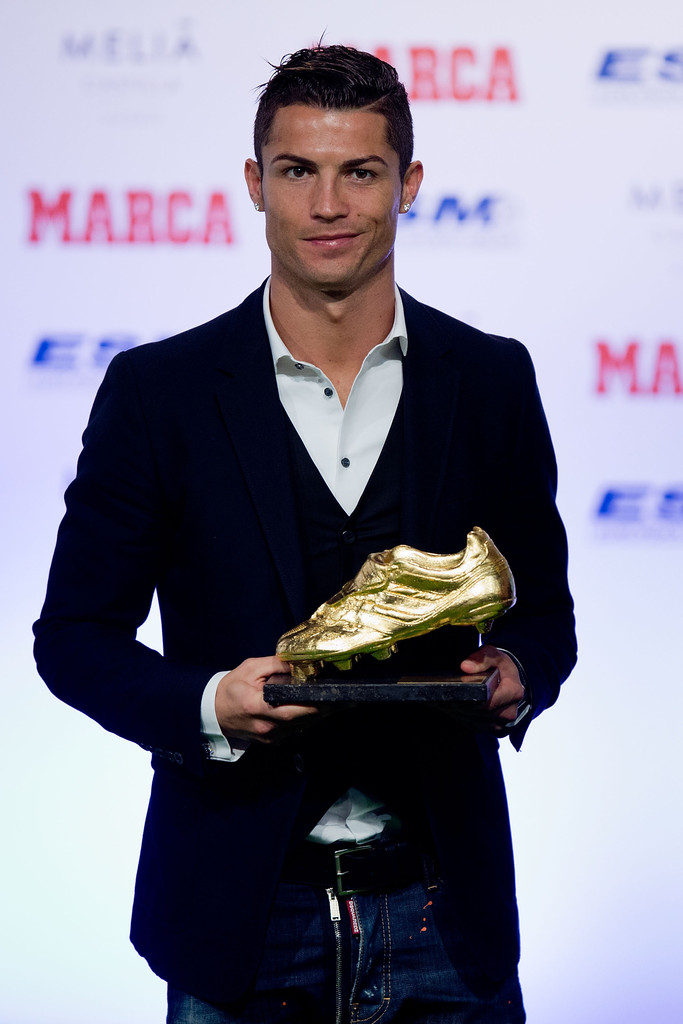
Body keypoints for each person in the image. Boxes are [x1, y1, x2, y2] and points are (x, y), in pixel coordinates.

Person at [34, 44, 576, 1024]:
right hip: (236, 916)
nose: (328, 204)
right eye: (298, 171)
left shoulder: (490, 380)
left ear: (407, 184)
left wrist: (517, 676)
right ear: (255, 183)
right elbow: (73, 638)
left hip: (443, 914)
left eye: (359, 171)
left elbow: (542, 614)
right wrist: (207, 702)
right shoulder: (159, 395)